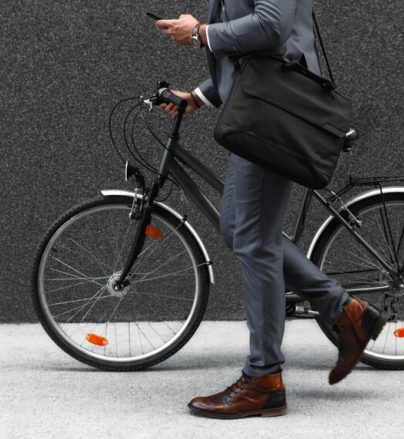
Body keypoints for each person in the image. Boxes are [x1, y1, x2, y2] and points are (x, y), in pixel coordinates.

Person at [155, 0, 387, 419]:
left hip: (272, 110)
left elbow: (271, 27)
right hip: (260, 105)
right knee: (237, 229)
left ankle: (264, 378)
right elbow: (253, 51)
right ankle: (345, 311)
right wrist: (200, 96)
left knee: (253, 241)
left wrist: (199, 33)